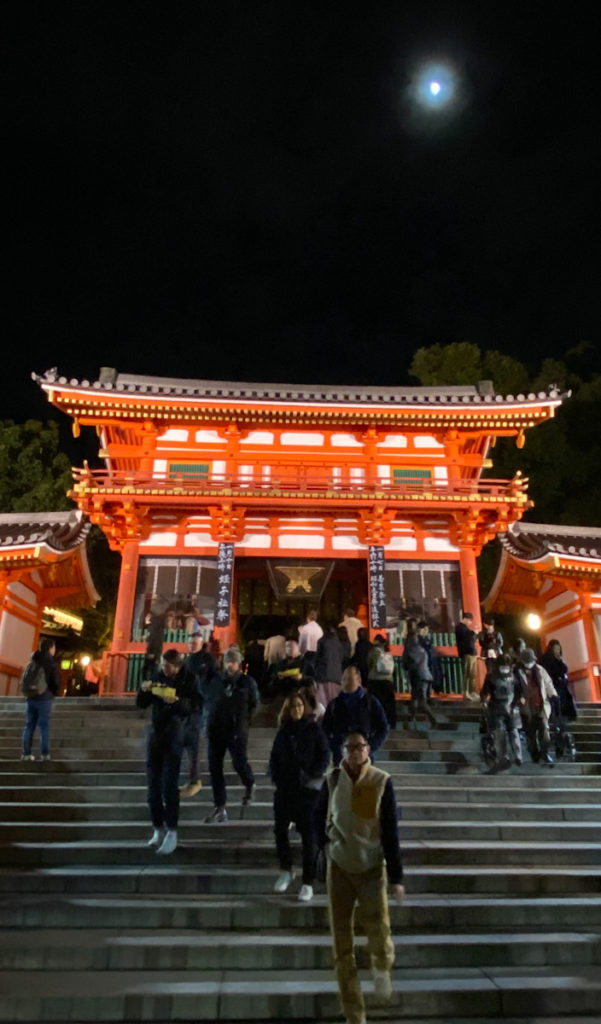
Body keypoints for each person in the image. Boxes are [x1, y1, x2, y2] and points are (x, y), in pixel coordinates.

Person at [316, 729, 404, 1024]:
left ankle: (382, 965)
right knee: (342, 943)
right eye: (349, 747)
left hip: (370, 866)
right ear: (343, 751)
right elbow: (318, 819)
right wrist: (325, 847)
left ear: (368, 749)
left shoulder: (381, 781)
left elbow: (391, 829)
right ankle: (355, 1014)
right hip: (339, 865)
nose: (355, 752)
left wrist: (396, 876)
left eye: (360, 746)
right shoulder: (332, 779)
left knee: (378, 928)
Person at [269, 692, 330, 902]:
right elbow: (274, 758)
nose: (296, 709)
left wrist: (311, 774)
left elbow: (324, 755)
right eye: (293, 706)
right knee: (279, 830)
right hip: (285, 790)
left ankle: (307, 882)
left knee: (308, 837)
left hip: (307, 791)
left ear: (304, 708)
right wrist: (276, 776)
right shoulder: (283, 733)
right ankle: (286, 869)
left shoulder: (313, 729)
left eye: (299, 705)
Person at [136, 648, 198, 855]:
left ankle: (172, 830)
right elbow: (141, 704)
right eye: (163, 665)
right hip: (155, 734)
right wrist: (144, 691)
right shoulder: (156, 677)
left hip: (175, 733)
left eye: (168, 666)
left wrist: (178, 702)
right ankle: (157, 828)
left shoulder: (188, 680)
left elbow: (194, 707)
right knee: (152, 784)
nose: (165, 669)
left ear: (177, 665)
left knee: (169, 785)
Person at [204, 646, 259, 823]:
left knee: (239, 762)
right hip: (216, 728)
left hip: (236, 730)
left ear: (239, 664)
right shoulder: (217, 680)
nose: (230, 665)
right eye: (228, 661)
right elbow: (209, 700)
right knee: (215, 769)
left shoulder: (247, 682)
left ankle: (249, 783)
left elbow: (254, 704)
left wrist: (244, 722)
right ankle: (219, 807)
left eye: (234, 662)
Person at [322, 666, 389, 766]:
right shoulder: (334, 705)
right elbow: (325, 730)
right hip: (341, 759)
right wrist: (336, 747)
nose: (345, 682)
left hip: (365, 758)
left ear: (359, 680)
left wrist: (370, 746)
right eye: (343, 679)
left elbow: (383, 727)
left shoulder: (370, 702)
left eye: (349, 679)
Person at [181, 631, 217, 796]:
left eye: (195, 643)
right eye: (191, 643)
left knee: (194, 741)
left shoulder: (208, 660)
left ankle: (195, 779)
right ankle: (191, 778)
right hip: (187, 706)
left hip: (201, 706)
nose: (193, 645)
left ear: (201, 643)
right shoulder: (186, 661)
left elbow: (215, 680)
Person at [479, 654, 524, 770]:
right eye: (502, 666)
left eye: (506, 666)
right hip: (496, 707)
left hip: (511, 707)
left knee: (514, 732)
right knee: (499, 733)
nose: (504, 668)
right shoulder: (491, 677)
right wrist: (484, 701)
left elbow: (520, 690)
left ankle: (518, 755)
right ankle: (503, 756)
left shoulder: (514, 677)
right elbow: (485, 691)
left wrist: (519, 700)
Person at [21, 637, 59, 761]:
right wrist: (53, 693)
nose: (54, 650)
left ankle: (26, 753)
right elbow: (54, 681)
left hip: (31, 696)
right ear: (50, 648)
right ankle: (44, 754)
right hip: (45, 697)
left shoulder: (33, 660)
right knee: (44, 726)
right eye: (53, 648)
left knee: (29, 725)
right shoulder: (50, 662)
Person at [540, 639, 577, 760]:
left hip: (563, 693)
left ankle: (562, 747)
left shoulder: (559, 660)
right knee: (557, 722)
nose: (557, 651)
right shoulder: (547, 661)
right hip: (554, 692)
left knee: (562, 723)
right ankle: (559, 747)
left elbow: (564, 671)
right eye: (555, 648)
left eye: (558, 648)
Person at [519, 648, 558, 766]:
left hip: (540, 704)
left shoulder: (540, 670)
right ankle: (534, 754)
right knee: (530, 733)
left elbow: (548, 683)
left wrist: (553, 694)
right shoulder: (517, 672)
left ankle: (545, 753)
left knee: (544, 731)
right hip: (526, 707)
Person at [401, 620, 436, 727]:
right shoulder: (417, 643)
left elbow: (410, 658)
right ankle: (411, 718)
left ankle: (432, 719)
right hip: (421, 673)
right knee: (415, 697)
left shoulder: (414, 642)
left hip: (418, 673)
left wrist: (406, 663)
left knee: (419, 699)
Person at [366, 633, 396, 728]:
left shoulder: (373, 652)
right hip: (387, 681)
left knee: (376, 703)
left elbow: (368, 664)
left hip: (375, 681)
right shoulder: (388, 653)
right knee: (389, 704)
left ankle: (376, 723)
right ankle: (390, 723)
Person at [314, 624, 345, 706]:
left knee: (324, 702)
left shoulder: (322, 642)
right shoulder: (339, 643)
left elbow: (317, 659)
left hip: (324, 676)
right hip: (337, 677)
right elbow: (341, 658)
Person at [455, 611, 479, 700]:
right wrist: (474, 633)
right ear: (466, 619)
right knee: (467, 673)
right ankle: (466, 692)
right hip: (467, 653)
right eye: (469, 621)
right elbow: (467, 639)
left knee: (472, 673)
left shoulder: (465, 629)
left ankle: (472, 691)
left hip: (472, 652)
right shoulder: (460, 628)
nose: (469, 623)